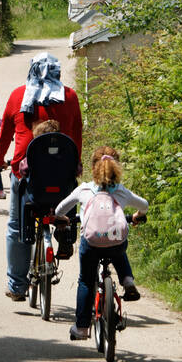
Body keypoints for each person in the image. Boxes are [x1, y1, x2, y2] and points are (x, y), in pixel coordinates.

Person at [0, 52, 83, 301]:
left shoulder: (19, 96)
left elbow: (4, 136)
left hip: (27, 175)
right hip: (62, 175)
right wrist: (76, 164)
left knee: (16, 227)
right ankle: (64, 231)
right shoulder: (70, 97)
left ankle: (18, 286)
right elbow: (76, 135)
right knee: (64, 208)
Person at [55, 146, 147, 341]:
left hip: (91, 243)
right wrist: (138, 215)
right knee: (119, 247)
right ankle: (127, 280)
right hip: (114, 242)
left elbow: (59, 209)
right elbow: (144, 205)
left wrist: (63, 219)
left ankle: (81, 328)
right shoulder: (122, 192)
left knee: (86, 281)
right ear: (117, 168)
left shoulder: (85, 189)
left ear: (93, 167)